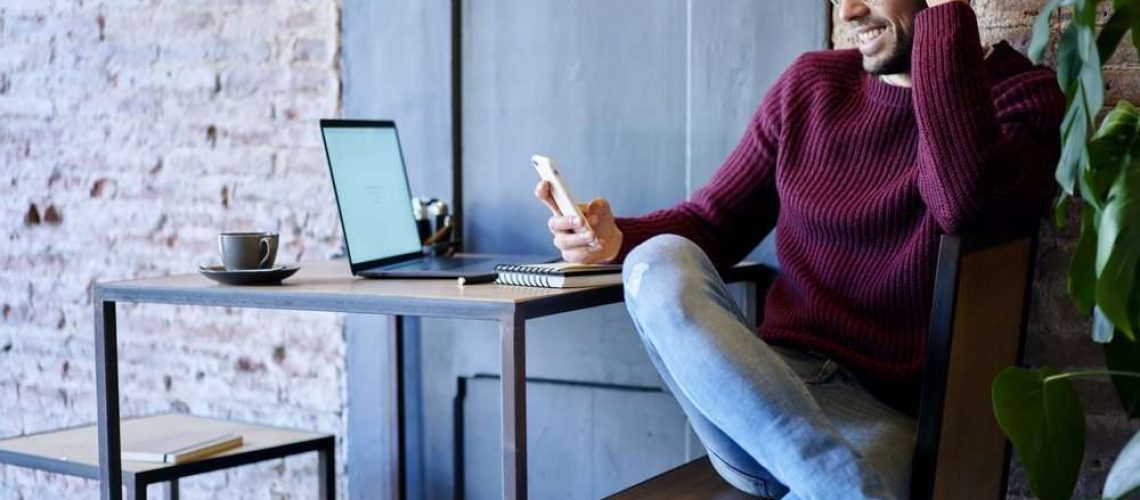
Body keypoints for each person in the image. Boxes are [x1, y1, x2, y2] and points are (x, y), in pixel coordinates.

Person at [534, 0, 1065, 498]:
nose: (850, 11)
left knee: (851, 482)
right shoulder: (811, 86)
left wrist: (947, 15)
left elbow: (961, 207)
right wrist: (616, 239)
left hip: (882, 416)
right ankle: (834, 480)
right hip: (757, 390)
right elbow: (714, 223)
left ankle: (831, 480)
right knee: (657, 260)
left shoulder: (1021, 97)